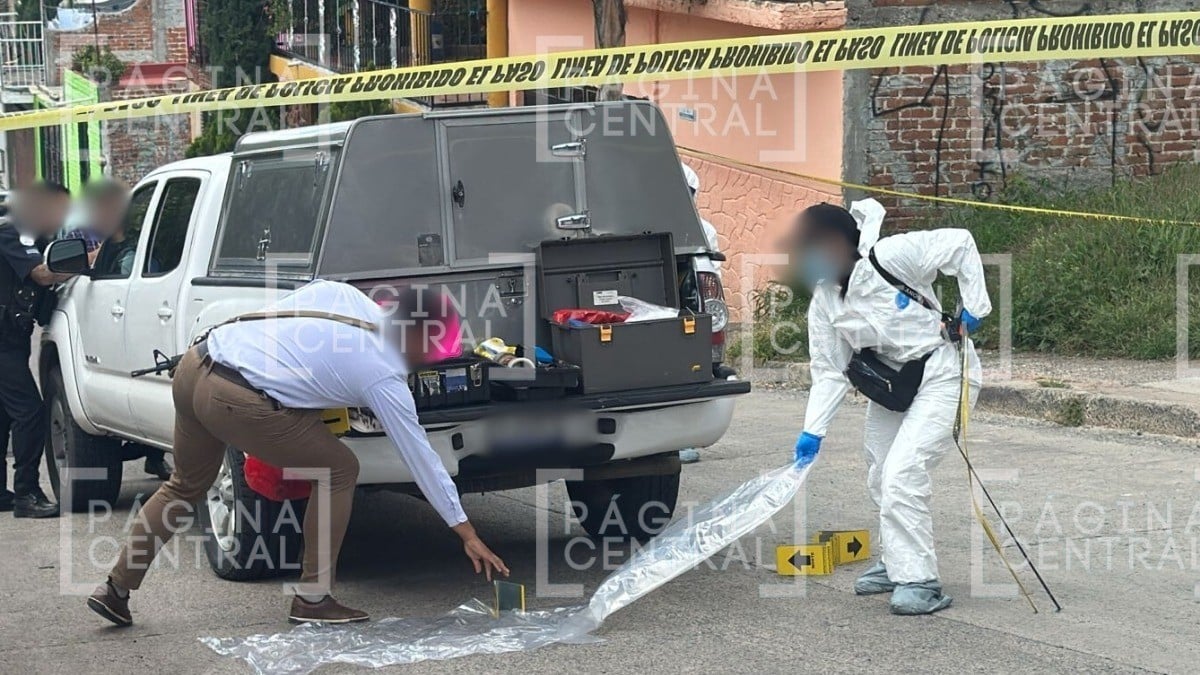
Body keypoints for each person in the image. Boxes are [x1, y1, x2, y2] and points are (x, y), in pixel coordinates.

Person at [87, 280, 509, 627]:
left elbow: (296, 343)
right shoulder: (382, 373)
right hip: (237, 395)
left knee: (183, 486)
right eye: (436, 346)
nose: (434, 359)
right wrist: (466, 532)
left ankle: (115, 589)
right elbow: (421, 458)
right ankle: (312, 597)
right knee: (339, 469)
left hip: (197, 365)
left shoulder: (345, 297)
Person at [790, 198, 990, 616]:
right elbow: (829, 371)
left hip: (942, 373)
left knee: (903, 472)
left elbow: (960, 243)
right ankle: (896, 560)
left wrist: (974, 307)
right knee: (881, 469)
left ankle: (920, 580)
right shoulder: (825, 302)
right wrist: (813, 431)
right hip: (892, 385)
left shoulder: (891, 257)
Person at [64, 179, 173, 480]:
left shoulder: (142, 236)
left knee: (153, 373)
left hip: (146, 317)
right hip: (107, 321)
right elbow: (70, 268)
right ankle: (150, 455)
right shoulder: (83, 235)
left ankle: (155, 456)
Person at [0, 182, 77, 518]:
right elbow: (43, 275)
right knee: (30, 412)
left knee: (4, 415)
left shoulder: (39, 240)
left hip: (12, 341)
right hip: (2, 343)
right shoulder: (11, 233)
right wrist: (90, 260)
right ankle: (26, 493)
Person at [679, 162, 722, 465]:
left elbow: (709, 273)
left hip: (689, 309)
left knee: (691, 373)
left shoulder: (704, 230)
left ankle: (683, 438)